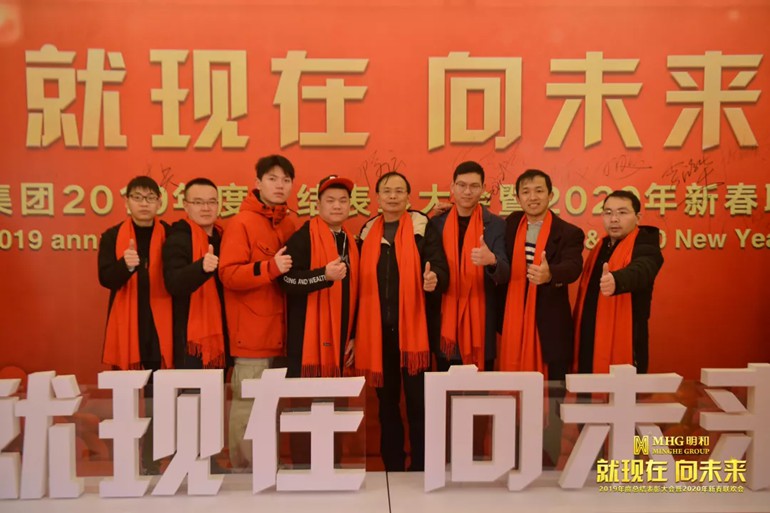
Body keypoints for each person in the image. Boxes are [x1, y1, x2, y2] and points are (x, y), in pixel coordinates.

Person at [355, 171, 449, 472]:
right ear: (377, 197)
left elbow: (441, 268)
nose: (393, 196)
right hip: (378, 334)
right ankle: (393, 465)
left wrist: (435, 280)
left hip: (414, 331)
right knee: (387, 405)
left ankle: (422, 465)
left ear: (408, 197)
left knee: (419, 404)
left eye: (399, 191)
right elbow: (356, 283)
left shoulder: (423, 226)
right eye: (387, 191)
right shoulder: (367, 231)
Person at [218, 155, 296, 469]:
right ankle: (244, 471)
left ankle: (267, 467)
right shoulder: (241, 223)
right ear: (257, 183)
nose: (280, 185)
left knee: (271, 407)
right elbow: (228, 274)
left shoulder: (289, 223)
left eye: (286, 180)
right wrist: (269, 268)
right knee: (247, 407)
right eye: (272, 179)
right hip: (251, 336)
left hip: (283, 336)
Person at [98, 175, 172, 473]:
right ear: (127, 201)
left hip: (161, 329)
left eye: (150, 198)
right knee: (127, 398)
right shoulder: (111, 236)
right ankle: (127, 461)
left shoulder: (170, 234)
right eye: (138, 197)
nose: (144, 204)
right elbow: (106, 278)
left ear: (159, 202)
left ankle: (152, 459)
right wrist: (125, 265)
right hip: (127, 328)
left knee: (158, 398)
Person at [501, 169, 584, 381]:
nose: (533, 197)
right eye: (526, 192)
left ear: (550, 195)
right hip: (513, 318)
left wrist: (550, 274)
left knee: (552, 390)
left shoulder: (568, 232)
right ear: (517, 198)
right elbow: (484, 221)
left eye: (539, 191)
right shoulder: (511, 223)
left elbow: (573, 266)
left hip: (550, 324)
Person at [430, 161, 509, 371]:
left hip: (481, 323)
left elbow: (505, 273)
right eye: (462, 185)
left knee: (480, 388)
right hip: (445, 322)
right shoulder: (436, 224)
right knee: (446, 387)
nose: (467, 191)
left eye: (474, 186)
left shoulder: (497, 225)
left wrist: (492, 261)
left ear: (483, 189)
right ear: (452, 187)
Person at [574, 190, 664, 375]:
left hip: (627, 339)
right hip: (590, 337)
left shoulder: (646, 244)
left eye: (622, 213)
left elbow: (643, 269)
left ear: (638, 217)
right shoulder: (601, 246)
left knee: (622, 390)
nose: (614, 219)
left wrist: (617, 280)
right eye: (608, 213)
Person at [280, 175, 358, 379]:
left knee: (337, 397)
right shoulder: (304, 236)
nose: (337, 206)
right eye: (330, 200)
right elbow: (285, 280)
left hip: (343, 338)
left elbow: (358, 293)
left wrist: (354, 335)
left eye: (343, 200)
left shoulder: (351, 241)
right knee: (307, 397)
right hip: (307, 339)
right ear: (318, 205)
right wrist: (323, 276)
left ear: (350, 205)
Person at [162, 177, 228, 371]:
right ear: (186, 205)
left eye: (211, 202)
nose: (206, 208)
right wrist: (201, 268)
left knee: (220, 389)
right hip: (191, 338)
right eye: (198, 202)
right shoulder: (178, 238)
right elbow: (173, 283)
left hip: (223, 333)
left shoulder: (225, 238)